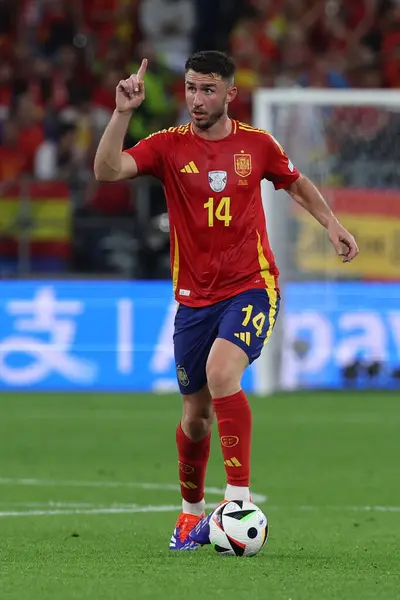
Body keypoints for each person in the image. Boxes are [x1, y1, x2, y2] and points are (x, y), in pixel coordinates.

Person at [93, 50, 359, 551]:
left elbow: (295, 183)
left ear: (230, 93)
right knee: (195, 415)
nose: (197, 98)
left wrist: (332, 223)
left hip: (252, 284)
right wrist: (122, 112)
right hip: (193, 299)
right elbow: (107, 170)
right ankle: (191, 514)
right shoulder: (167, 147)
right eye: (192, 88)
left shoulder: (257, 145)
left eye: (208, 89)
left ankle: (238, 500)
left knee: (221, 373)